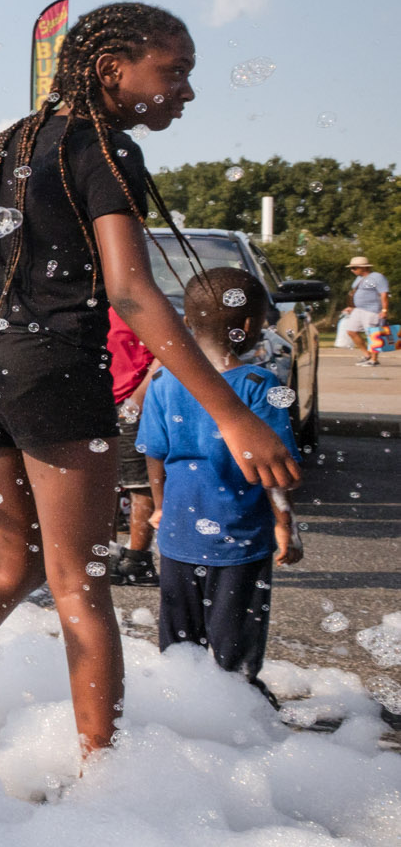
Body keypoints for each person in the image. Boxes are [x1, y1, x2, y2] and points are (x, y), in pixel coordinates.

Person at [0, 3, 299, 759]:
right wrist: (232, 414)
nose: (186, 92)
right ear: (112, 70)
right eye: (174, 72)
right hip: (57, 375)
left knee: (12, 566)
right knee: (79, 581)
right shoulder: (108, 149)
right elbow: (132, 292)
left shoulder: (4, 145)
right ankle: (103, 770)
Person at [136, 268, 300, 697]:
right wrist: (284, 522)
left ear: (187, 322)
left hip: (177, 535)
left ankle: (180, 715)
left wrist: (159, 506)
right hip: (240, 539)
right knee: (236, 651)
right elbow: (274, 471)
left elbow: (154, 454)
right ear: (248, 327)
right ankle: (238, 718)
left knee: (179, 648)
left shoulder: (161, 382)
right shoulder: (259, 385)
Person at [104, 305, 160, 584]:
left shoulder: (139, 303)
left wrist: (139, 396)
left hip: (133, 400)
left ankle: (138, 557)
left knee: (139, 481)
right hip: (96, 397)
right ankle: (108, 555)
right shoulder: (87, 300)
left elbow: (164, 354)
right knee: (103, 481)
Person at [341, 255, 390, 367]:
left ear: (363, 267)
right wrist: (352, 307)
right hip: (358, 310)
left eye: (354, 268)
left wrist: (384, 310)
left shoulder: (377, 277)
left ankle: (374, 359)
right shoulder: (358, 279)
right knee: (351, 331)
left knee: (373, 334)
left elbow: (384, 294)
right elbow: (358, 294)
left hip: (372, 310)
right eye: (352, 268)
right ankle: (367, 355)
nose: (352, 270)